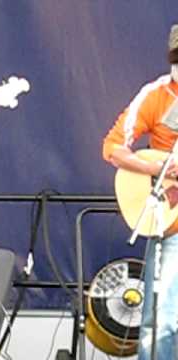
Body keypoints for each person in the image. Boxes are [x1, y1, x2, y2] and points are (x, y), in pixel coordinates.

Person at [103, 24, 178, 360]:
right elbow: (113, 147)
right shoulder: (157, 95)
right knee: (160, 322)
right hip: (171, 222)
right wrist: (156, 169)